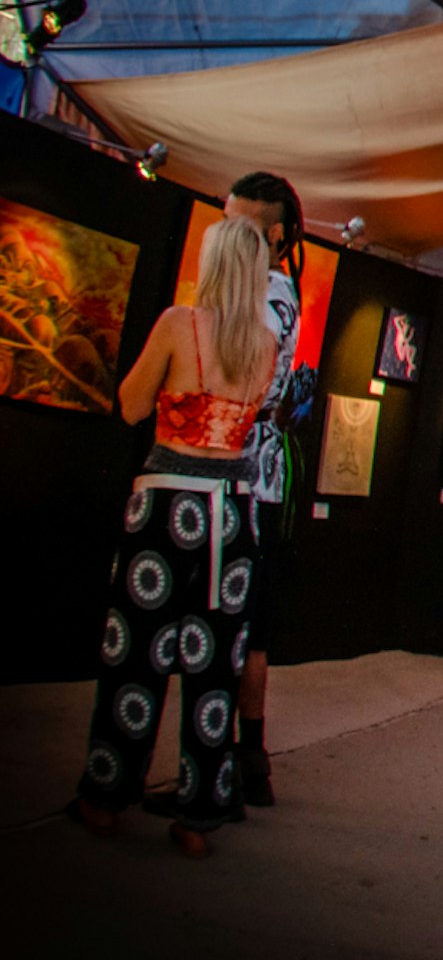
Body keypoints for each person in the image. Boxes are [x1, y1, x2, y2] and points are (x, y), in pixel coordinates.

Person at [68, 213, 281, 854]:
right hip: (234, 518)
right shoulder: (265, 345)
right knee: (214, 666)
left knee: (135, 656)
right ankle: (199, 816)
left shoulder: (178, 324)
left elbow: (132, 404)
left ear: (212, 266)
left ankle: (105, 798)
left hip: (167, 510)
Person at [220, 171, 315, 813]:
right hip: (260, 483)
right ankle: (250, 763)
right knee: (251, 634)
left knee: (235, 632)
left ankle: (226, 771)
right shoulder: (281, 292)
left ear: (275, 236)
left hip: (241, 487)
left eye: (243, 227)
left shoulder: (266, 294)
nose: (228, 237)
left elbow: (241, 387)